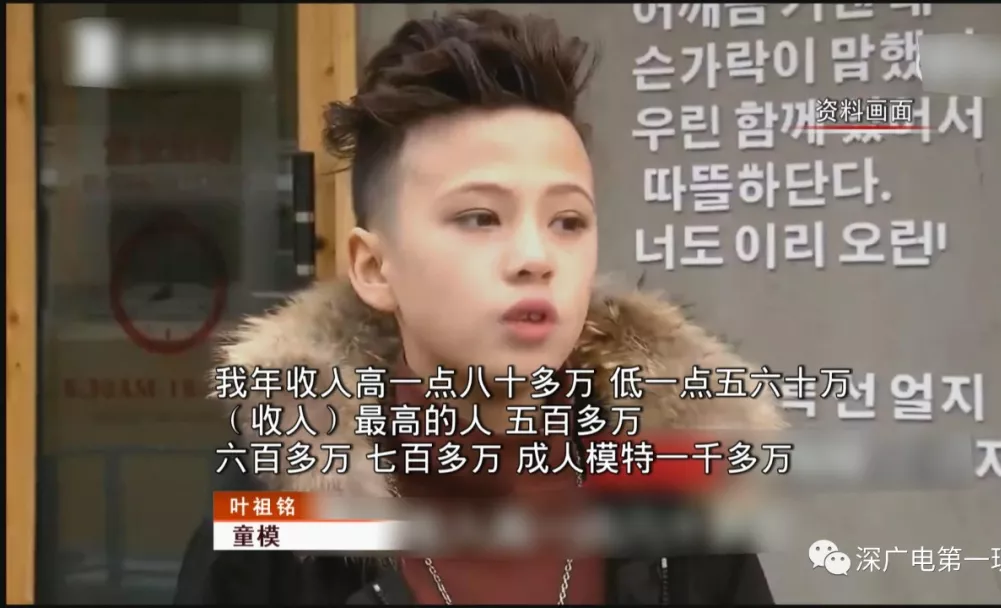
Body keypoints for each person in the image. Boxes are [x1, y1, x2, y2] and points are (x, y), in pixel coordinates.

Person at [175, 8, 785, 605]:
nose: (535, 258)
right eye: (479, 217)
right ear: (374, 268)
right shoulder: (279, 520)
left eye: (568, 221)